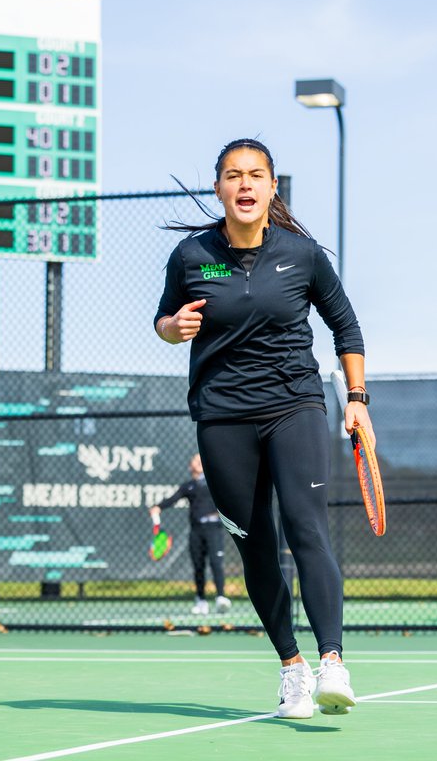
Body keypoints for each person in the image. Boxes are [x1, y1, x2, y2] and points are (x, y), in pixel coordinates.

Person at [153, 138, 375, 720]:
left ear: (273, 187)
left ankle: (333, 661)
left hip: (294, 405)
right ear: (220, 189)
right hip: (222, 416)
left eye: (256, 175)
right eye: (233, 175)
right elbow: (164, 319)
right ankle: (292, 670)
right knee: (255, 548)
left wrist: (356, 399)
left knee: (306, 528)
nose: (245, 185)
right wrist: (171, 327)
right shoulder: (190, 256)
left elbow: (346, 327)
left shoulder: (301, 256)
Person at [149, 453, 232, 615]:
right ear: (190, 466)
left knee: (216, 563)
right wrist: (158, 507)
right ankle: (201, 600)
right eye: (195, 460)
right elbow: (172, 499)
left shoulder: (215, 483)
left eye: (202, 459)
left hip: (214, 528)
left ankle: (221, 597)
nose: (199, 461)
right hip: (196, 531)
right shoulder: (188, 486)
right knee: (198, 566)